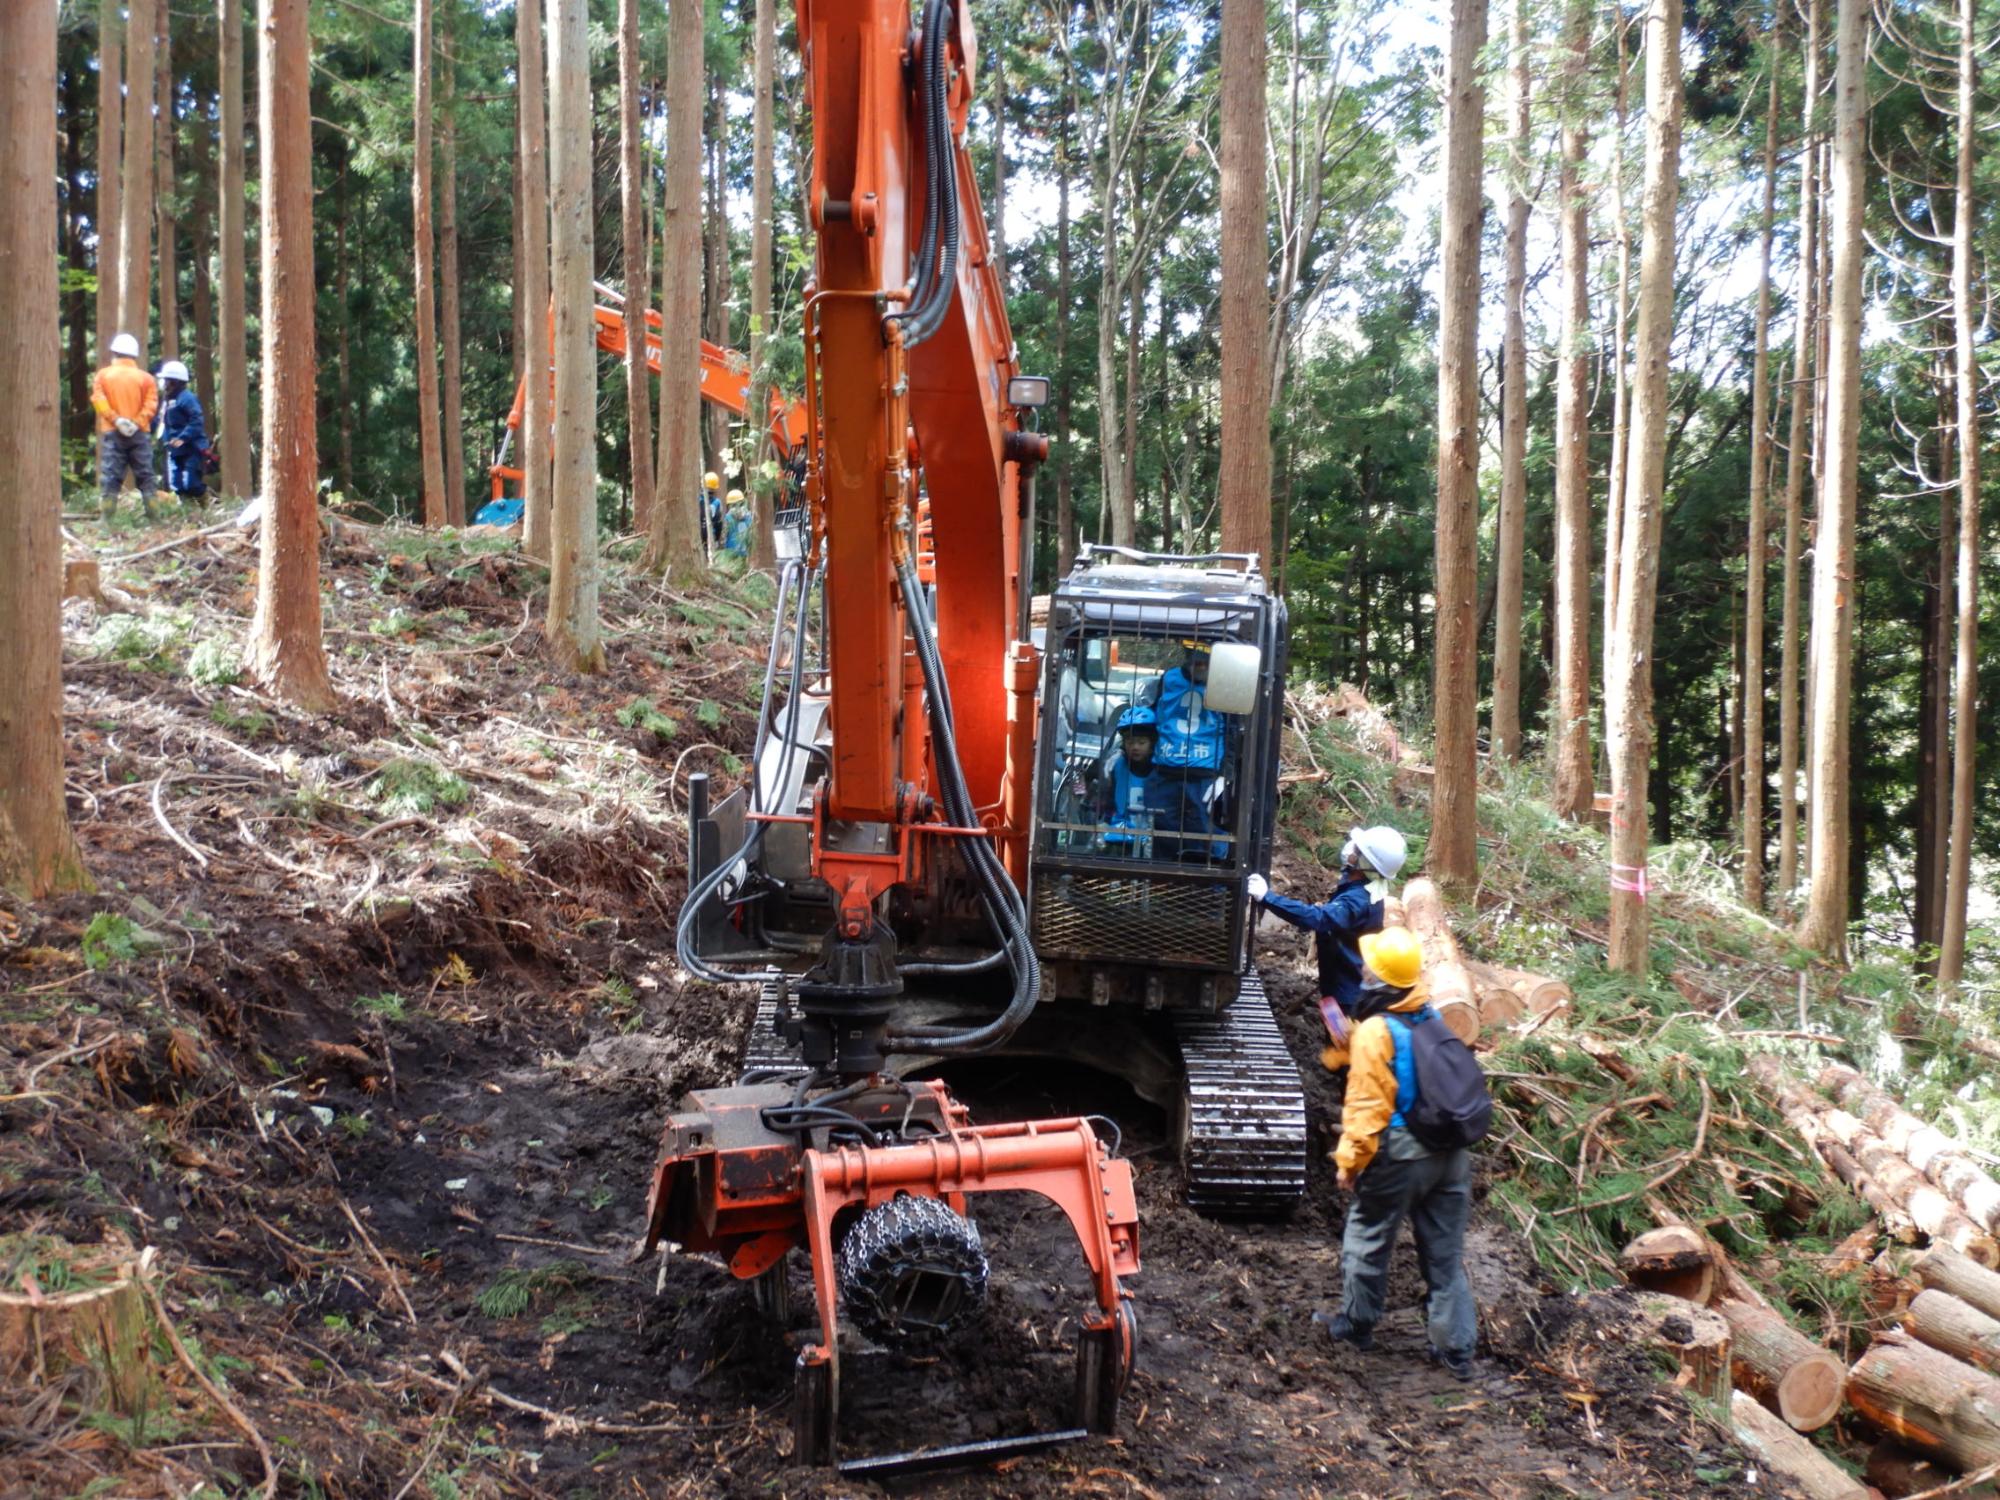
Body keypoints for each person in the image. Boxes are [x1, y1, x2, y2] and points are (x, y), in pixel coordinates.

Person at [1313, 926, 1478, 1381]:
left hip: (1402, 1153)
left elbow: (1368, 1105)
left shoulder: (1375, 1033)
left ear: (1379, 979)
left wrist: (1350, 1162)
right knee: (1444, 1256)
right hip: (1451, 1154)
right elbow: (1407, 1065)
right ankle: (1457, 1349)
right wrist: (1345, 1049)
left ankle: (1357, 1325)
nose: (1362, 970)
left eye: (1369, 967)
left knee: (1368, 1236)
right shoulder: (1427, 1015)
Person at [1249, 825, 1408, 1014]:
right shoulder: (1366, 885)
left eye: (1357, 850)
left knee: (1341, 1043)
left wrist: (1267, 897)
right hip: (1343, 985)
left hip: (1347, 997)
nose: (1351, 849)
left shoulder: (1357, 900)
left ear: (1367, 863)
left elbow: (1320, 918)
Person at [1094, 706, 1213, 860]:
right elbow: (1108, 801)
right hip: (1120, 836)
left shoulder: (1165, 770)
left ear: (1153, 744)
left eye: (1141, 742)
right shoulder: (1116, 765)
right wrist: (1104, 822)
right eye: (1130, 741)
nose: (1135, 747)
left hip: (1155, 837)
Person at [91, 333, 160, 519]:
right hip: (140, 434)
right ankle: (154, 518)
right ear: (134, 355)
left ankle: (106, 519)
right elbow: (151, 405)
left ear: (114, 352)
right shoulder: (146, 379)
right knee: (146, 477)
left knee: (110, 477)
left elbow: (98, 401)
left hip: (113, 433)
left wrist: (116, 420)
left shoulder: (103, 376)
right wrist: (137, 422)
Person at [154, 360, 208, 507]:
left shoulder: (187, 398)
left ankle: (204, 502)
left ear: (175, 382)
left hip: (191, 449)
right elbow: (161, 422)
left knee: (191, 483)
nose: (164, 384)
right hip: (174, 451)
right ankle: (187, 512)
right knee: (176, 485)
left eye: (167, 381)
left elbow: (197, 421)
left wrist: (182, 438)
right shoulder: (167, 401)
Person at [721, 490, 752, 557]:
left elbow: (724, 536)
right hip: (746, 551)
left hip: (731, 552)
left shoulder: (727, 518)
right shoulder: (748, 515)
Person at [702, 471, 724, 547]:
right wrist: (717, 539)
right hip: (711, 536)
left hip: (699, 535)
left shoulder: (697, 499)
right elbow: (719, 523)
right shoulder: (717, 502)